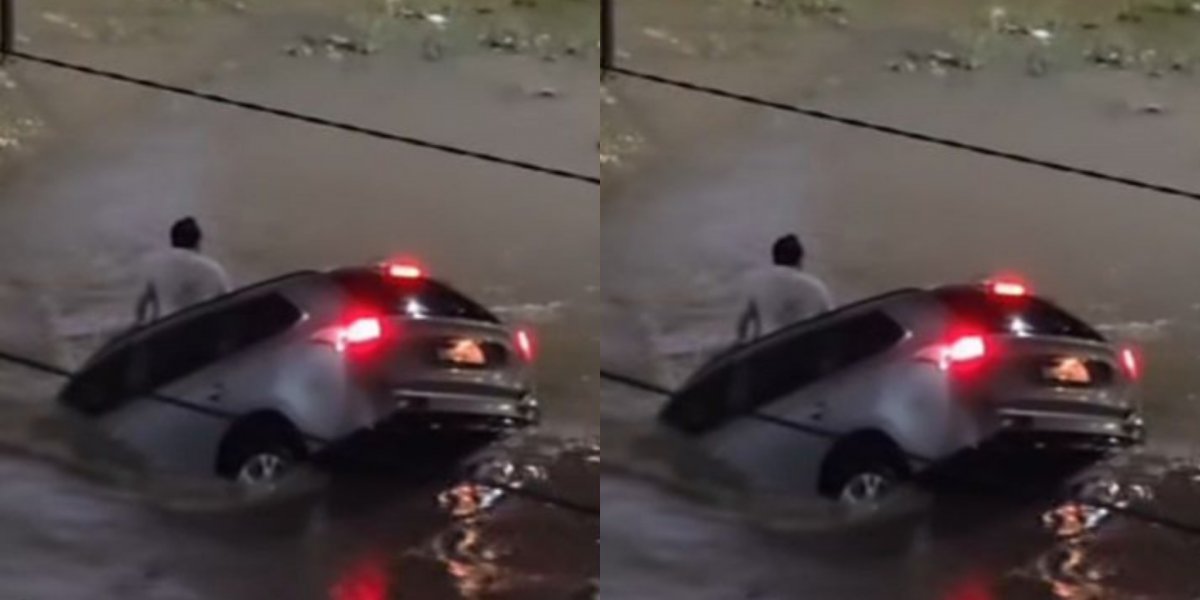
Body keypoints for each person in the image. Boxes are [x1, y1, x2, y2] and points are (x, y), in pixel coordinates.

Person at [736, 233, 834, 343]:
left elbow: (742, 325)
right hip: (805, 350)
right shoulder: (817, 287)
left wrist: (742, 344)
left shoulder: (756, 282)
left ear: (773, 257)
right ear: (800, 259)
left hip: (766, 348)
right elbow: (831, 324)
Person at [134, 217, 231, 325]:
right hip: (201, 331)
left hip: (164, 330)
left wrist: (140, 325)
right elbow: (228, 306)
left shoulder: (155, 265)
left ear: (172, 240)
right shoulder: (214, 269)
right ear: (198, 241)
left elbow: (140, 307)